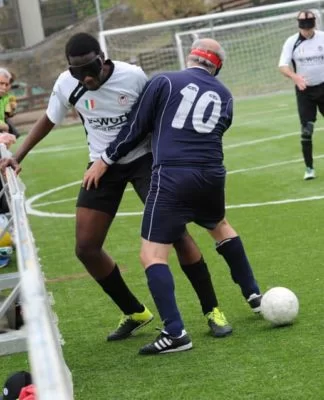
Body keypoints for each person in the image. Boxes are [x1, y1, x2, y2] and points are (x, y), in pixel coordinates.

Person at [0, 33, 236, 341]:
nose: (86, 77)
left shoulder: (133, 76)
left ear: (103, 59)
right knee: (86, 247)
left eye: (91, 68)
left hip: (144, 160)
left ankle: (212, 310)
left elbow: (150, 120)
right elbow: (49, 118)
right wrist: (17, 156)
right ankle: (134, 311)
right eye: (77, 71)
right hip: (99, 166)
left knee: (176, 234)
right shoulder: (66, 84)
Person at [84, 37, 262, 355]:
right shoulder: (225, 94)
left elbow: (136, 127)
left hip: (173, 174)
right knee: (219, 225)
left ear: (191, 56)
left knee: (152, 255)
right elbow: (220, 127)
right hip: (212, 173)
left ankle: (175, 332)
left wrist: (105, 159)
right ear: (216, 67)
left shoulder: (165, 79)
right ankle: (253, 295)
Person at [279, 10, 324, 180]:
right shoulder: (292, 42)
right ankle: (309, 168)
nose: (307, 31)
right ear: (299, 26)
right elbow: (282, 65)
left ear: (314, 24)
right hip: (305, 90)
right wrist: (295, 77)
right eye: (304, 28)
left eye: (310, 27)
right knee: (307, 130)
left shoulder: (322, 37)